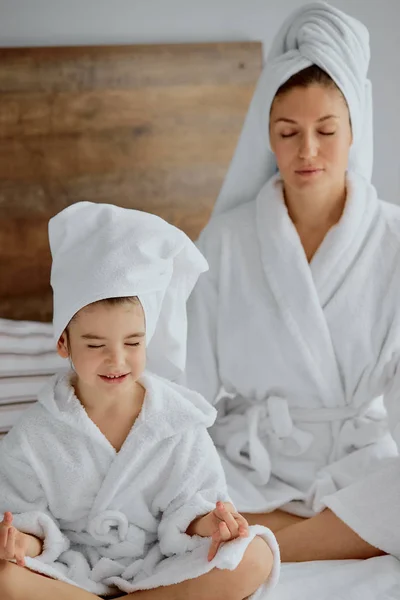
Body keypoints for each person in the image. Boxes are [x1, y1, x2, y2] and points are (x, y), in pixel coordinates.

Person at [186, 2, 400, 562]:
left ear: (354, 131)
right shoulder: (226, 241)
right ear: (269, 139)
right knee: (167, 494)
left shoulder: (395, 240)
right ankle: (309, 538)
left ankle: (266, 548)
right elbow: (187, 390)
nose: (307, 150)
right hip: (252, 471)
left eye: (326, 130)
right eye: (288, 132)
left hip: (358, 469)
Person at [0, 202, 279, 600]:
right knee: (5, 580)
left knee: (255, 556)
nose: (117, 360)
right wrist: (18, 543)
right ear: (63, 342)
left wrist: (212, 523)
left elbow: (191, 508)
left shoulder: (178, 420)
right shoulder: (33, 435)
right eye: (96, 345)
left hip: (158, 564)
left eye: (133, 343)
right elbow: (30, 524)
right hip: (69, 573)